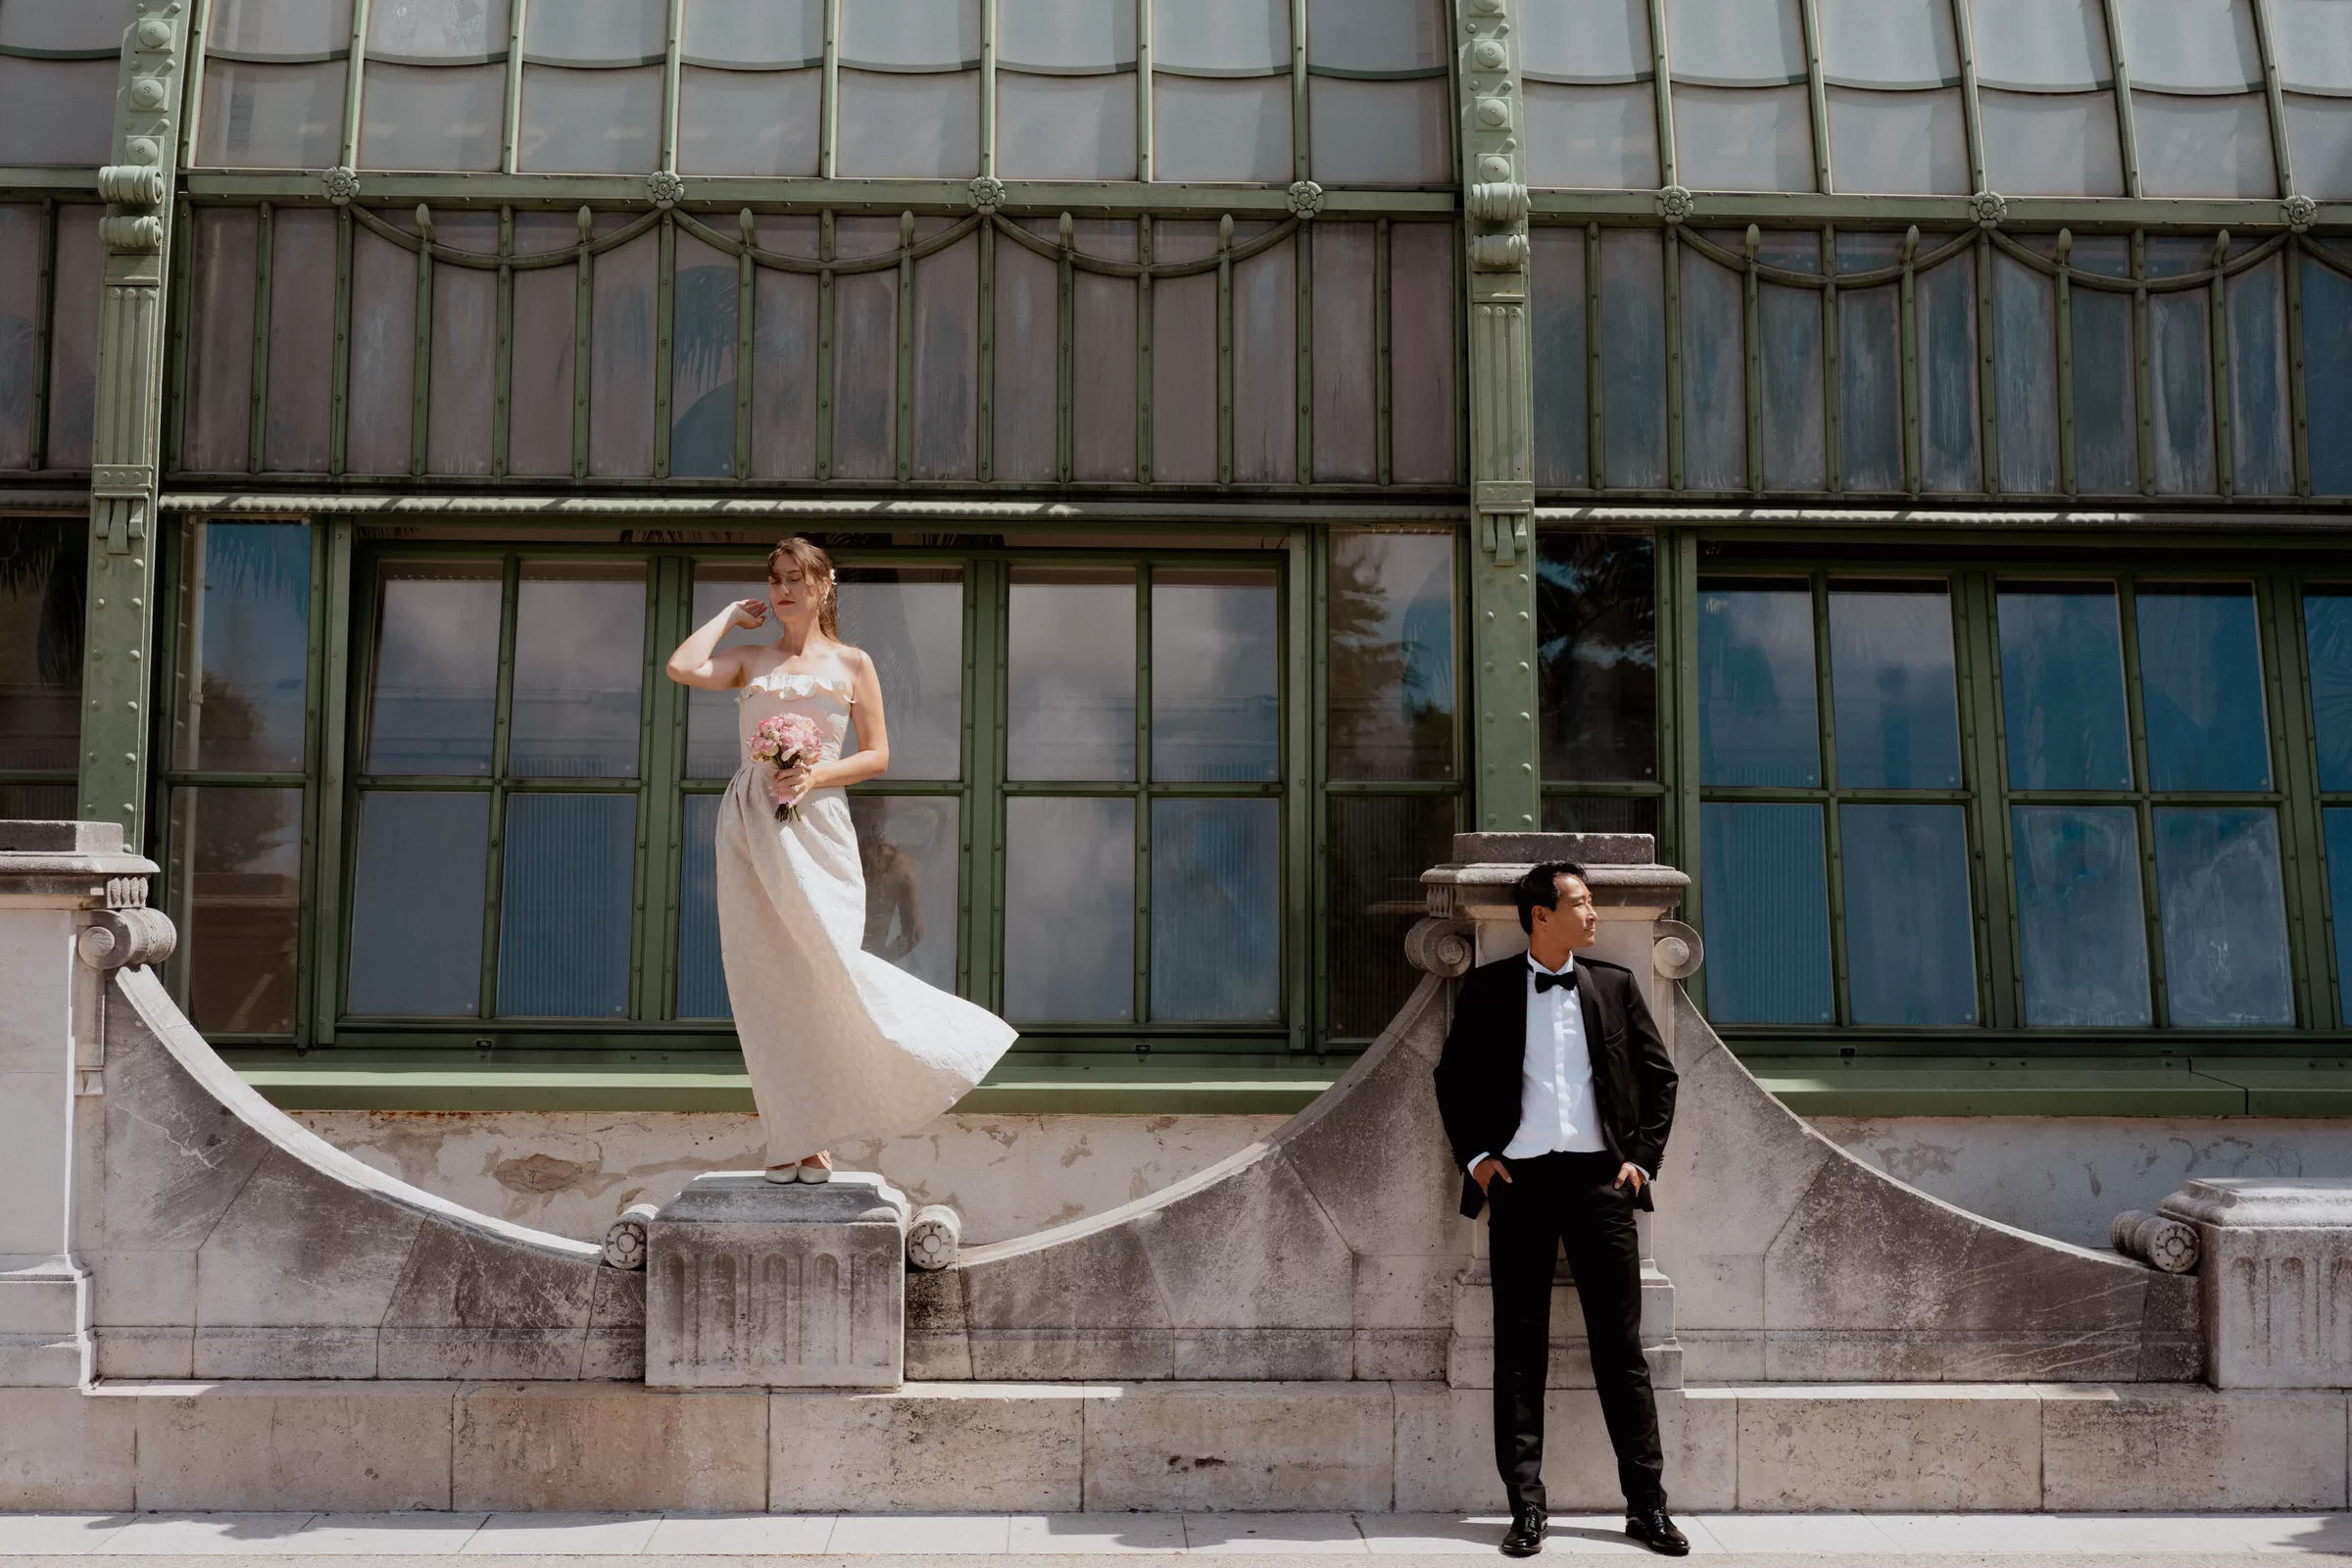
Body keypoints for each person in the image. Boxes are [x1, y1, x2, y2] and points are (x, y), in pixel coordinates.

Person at [665, 537, 1016, 1183]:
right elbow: (683, 668)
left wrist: (815, 775)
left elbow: (877, 755)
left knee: (829, 969)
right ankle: (793, 1141)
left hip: (818, 823)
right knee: (765, 984)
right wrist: (725, 617)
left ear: (826, 586)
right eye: (775, 580)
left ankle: (940, 1047)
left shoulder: (854, 664)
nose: (783, 590)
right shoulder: (749, 659)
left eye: (797, 578)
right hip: (751, 824)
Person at [1432, 861, 1685, 1558]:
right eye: (1581, 902)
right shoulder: (1486, 990)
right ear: (1541, 914)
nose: (1594, 912)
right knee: (1518, 1352)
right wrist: (1477, 1158)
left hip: (1604, 1186)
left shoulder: (1613, 984)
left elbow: (1660, 1078)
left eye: (1592, 901)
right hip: (1520, 1185)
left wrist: (1642, 1161)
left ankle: (1647, 1507)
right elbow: (1450, 1080)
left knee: (1621, 1352)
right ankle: (1526, 1508)